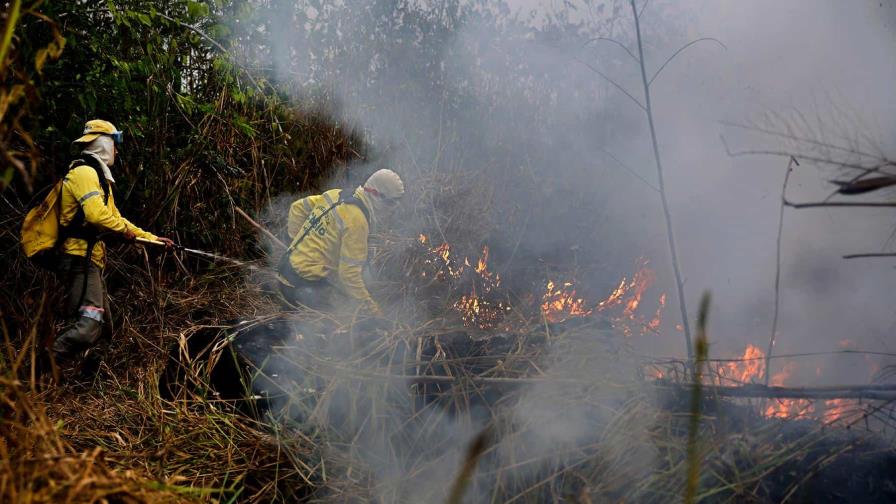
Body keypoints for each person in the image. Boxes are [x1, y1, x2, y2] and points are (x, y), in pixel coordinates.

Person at [51, 119, 174, 362]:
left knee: (105, 326)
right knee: (89, 326)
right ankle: (40, 366)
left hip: (90, 260)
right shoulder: (84, 173)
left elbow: (116, 218)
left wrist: (151, 239)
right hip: (78, 259)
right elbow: (97, 216)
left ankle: (87, 378)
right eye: (114, 144)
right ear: (103, 144)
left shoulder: (97, 178)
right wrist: (122, 232)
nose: (117, 151)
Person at [277, 169, 405, 315]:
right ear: (375, 194)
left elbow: (297, 208)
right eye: (390, 203)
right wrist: (372, 309)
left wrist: (296, 243)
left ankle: (288, 316)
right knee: (335, 324)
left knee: (333, 300)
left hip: (285, 272)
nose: (393, 209)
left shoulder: (336, 194)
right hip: (302, 287)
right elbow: (349, 275)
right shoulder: (357, 222)